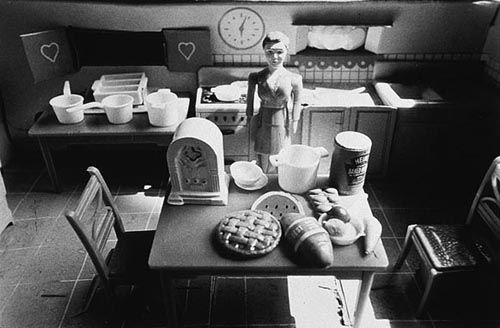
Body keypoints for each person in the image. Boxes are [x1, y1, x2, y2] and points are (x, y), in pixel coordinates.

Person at [246, 31, 303, 173]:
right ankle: (264, 179)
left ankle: (279, 181)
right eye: (269, 52)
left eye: (279, 52)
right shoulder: (256, 77)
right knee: (262, 154)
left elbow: (297, 102)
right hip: (262, 121)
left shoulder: (294, 78)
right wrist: (249, 119)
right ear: (264, 52)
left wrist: (295, 120)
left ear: (286, 52)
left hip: (282, 120)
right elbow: (249, 101)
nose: (274, 57)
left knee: (281, 154)